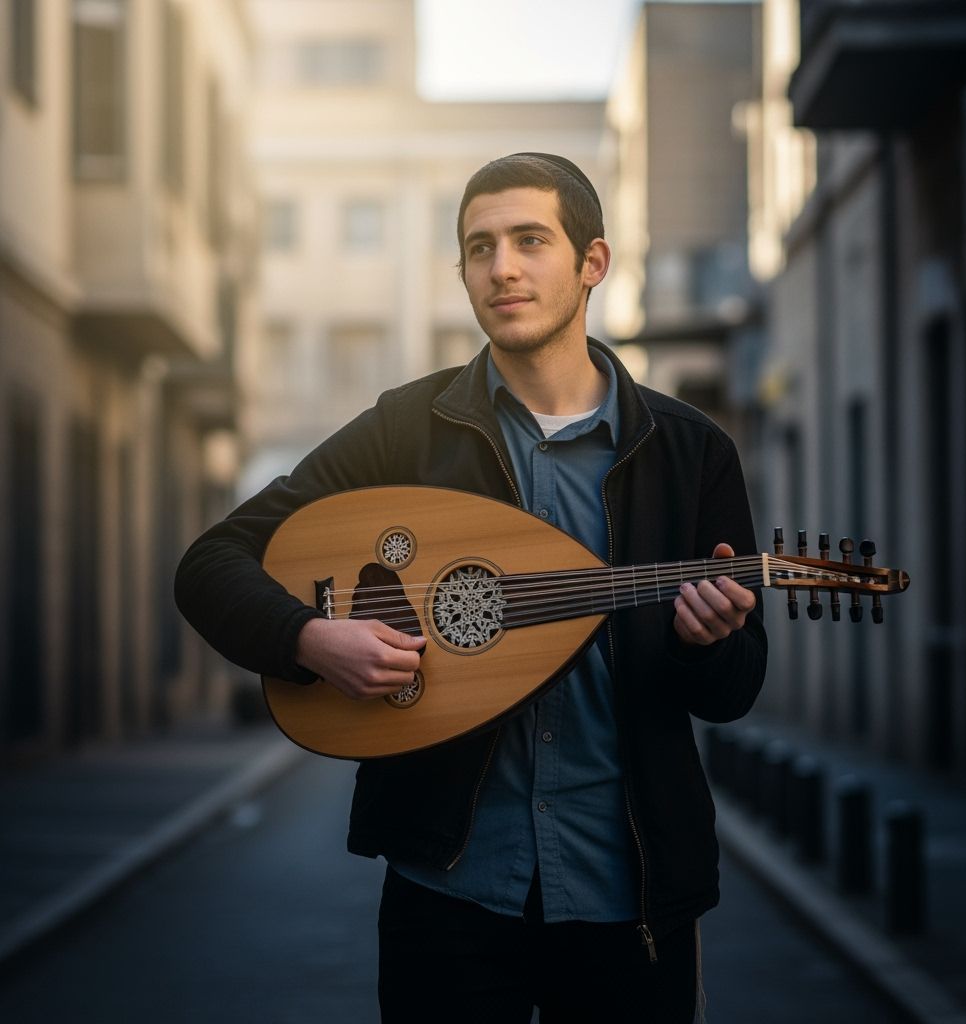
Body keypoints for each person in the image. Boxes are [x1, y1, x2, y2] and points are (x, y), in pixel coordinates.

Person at [175, 152, 767, 1023]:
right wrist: (306, 638)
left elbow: (734, 691)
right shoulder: (406, 431)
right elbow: (214, 563)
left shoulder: (689, 451)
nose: (504, 269)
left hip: (627, 889)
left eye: (530, 240)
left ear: (592, 263)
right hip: (449, 888)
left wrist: (705, 640)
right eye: (479, 248)